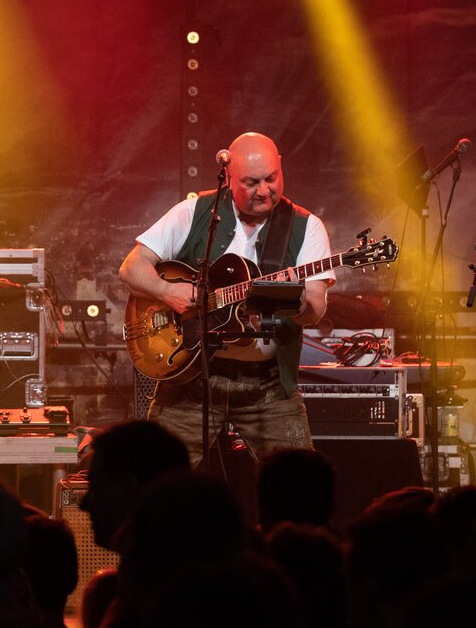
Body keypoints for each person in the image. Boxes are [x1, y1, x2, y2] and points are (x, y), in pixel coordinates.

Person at [118, 131, 332, 464]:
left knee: (297, 489)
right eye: (251, 182)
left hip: (268, 387)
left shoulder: (308, 227)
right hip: (192, 378)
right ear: (229, 179)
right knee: (157, 480)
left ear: (281, 167)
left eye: (271, 178)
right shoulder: (194, 212)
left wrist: (295, 297)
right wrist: (167, 291)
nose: (264, 190)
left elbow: (315, 308)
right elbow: (131, 268)